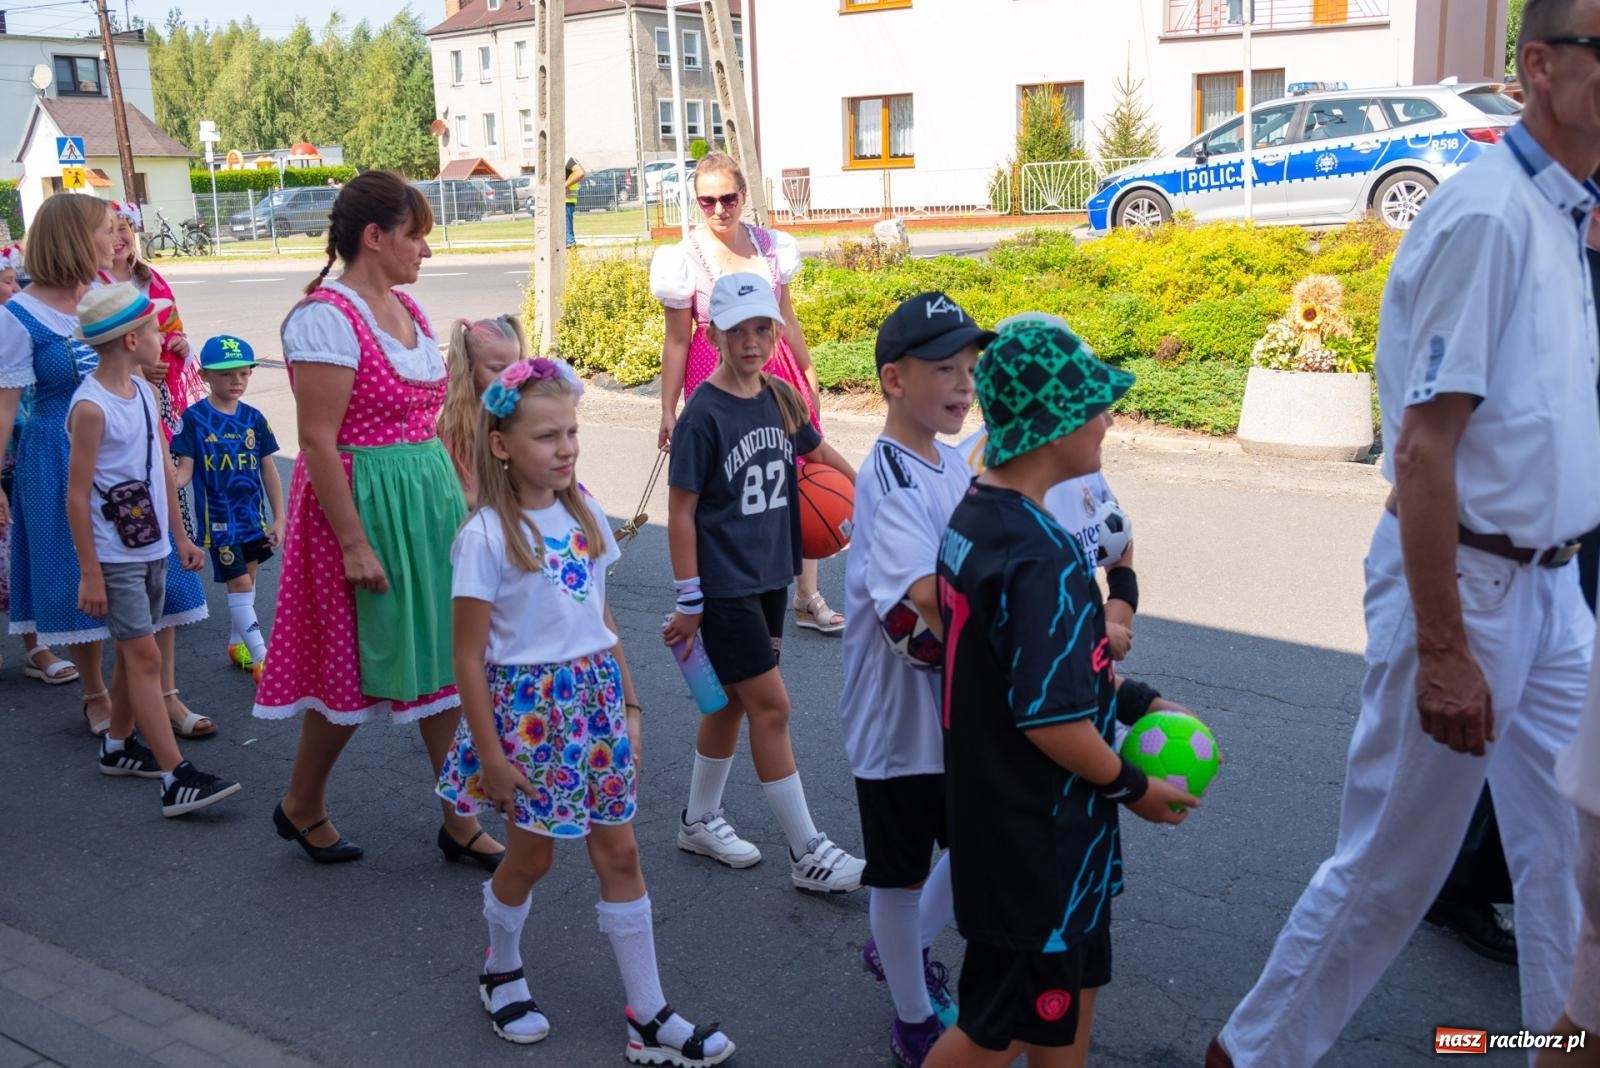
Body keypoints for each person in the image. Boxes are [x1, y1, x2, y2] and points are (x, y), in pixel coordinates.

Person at [1209, 5, 1600, 1063]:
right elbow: (1425, 451)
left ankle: (1564, 1044)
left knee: (1570, 849)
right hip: (1470, 589)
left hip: (1554, 590)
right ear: (1540, 68)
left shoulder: (1561, 212)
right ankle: (1247, 1056)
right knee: (1390, 868)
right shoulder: (1487, 218)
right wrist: (1442, 648)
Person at [436, 357, 735, 1063]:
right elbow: (467, 659)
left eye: (571, 432)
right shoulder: (484, 539)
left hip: (596, 707)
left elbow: (599, 617)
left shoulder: (586, 517)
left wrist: (629, 703)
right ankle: (500, 966)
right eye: (547, 436)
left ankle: (650, 1012)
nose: (566, 447)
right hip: (530, 718)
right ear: (503, 446)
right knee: (532, 856)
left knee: (621, 851)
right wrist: (492, 758)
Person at [925, 318, 1193, 1068]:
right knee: (996, 1030)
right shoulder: (1038, 555)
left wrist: (1132, 700)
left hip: (1018, 828)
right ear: (1050, 428)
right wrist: (1133, 785)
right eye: (1094, 406)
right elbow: (1048, 720)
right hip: (1036, 843)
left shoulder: (981, 515)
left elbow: (1023, 663)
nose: (1108, 420)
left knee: (1068, 1002)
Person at [254, 171, 503, 870]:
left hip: (424, 503)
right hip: (363, 507)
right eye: (415, 233)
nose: (425, 249)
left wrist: (464, 496)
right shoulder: (325, 318)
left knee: (442, 663)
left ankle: (457, 815)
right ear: (375, 236)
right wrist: (355, 542)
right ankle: (301, 804)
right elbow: (318, 442)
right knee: (356, 673)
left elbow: (432, 421)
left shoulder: (408, 313)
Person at [662, 272, 866, 892]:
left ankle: (698, 820)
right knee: (773, 707)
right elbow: (681, 512)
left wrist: (878, 499)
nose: (751, 341)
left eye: (762, 328)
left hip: (769, 578)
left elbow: (821, 459)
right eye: (738, 330)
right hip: (723, 585)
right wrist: (690, 598)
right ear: (714, 334)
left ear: (776, 331)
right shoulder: (703, 414)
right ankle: (808, 852)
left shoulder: (779, 395)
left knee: (727, 703)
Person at [840, 292, 992, 1065]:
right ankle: (910, 1014)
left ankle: (899, 948)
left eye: (969, 368)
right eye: (943, 369)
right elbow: (924, 603)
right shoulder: (892, 475)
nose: (963, 385)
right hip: (897, 719)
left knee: (974, 845)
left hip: (949, 712)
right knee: (899, 874)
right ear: (894, 379)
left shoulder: (947, 463)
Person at [0, 195, 208, 740]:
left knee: (153, 570)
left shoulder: (108, 296)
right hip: (57, 454)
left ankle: (165, 695)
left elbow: (140, 370)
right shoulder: (18, 315)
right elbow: (4, 408)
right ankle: (97, 692)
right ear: (72, 237)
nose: (114, 238)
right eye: (105, 229)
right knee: (81, 575)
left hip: (130, 449)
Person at [650, 152, 844, 635]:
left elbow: (788, 319)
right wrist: (668, 409)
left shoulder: (771, 246)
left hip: (777, 375)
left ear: (744, 196)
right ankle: (727, 584)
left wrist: (808, 369)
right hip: (714, 376)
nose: (719, 209)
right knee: (733, 484)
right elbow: (677, 339)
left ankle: (805, 593)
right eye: (707, 200)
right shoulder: (684, 258)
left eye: (728, 197)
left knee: (798, 475)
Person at [65, 283, 239, 817]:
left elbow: (161, 468)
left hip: (150, 545)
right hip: (113, 555)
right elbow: (75, 494)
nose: (161, 337)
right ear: (128, 340)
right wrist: (90, 572)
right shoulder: (91, 407)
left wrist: (181, 538)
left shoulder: (141, 390)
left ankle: (118, 748)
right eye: (152, 331)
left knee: (133, 651)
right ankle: (174, 776)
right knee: (142, 654)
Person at [101, 199, 214, 737]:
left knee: (163, 535)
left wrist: (177, 344)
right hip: (123, 399)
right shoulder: (92, 286)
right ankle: (119, 709)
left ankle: (150, 707)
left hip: (158, 398)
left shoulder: (152, 275)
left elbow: (174, 332)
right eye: (111, 230)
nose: (121, 238)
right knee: (130, 566)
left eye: (126, 229)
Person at [170, 334, 284, 678]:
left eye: (243, 374)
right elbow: (184, 473)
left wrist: (280, 518)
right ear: (205, 375)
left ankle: (238, 646)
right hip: (220, 524)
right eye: (225, 374)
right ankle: (264, 659)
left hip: (253, 519)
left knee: (247, 583)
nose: (236, 381)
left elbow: (268, 468)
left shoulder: (254, 418)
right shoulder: (193, 419)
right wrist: (162, 478)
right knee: (240, 586)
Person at [0, 240, 78, 686]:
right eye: (6, 280)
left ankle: (39, 644)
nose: (13, 287)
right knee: (22, 546)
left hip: (32, 440)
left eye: (14, 278)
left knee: (23, 546)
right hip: (22, 440)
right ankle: (34, 643)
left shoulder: (22, 318)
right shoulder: (16, 320)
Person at [439, 314, 527, 505]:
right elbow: (446, 493)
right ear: (468, 366)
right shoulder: (454, 423)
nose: (507, 378)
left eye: (514, 369)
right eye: (497, 369)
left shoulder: (516, 413)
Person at [564, 157, 585, 248]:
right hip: (565, 201)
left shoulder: (565, 158)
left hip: (565, 201)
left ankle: (572, 259)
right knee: (566, 236)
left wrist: (564, 185)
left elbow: (580, 172)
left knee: (568, 239)